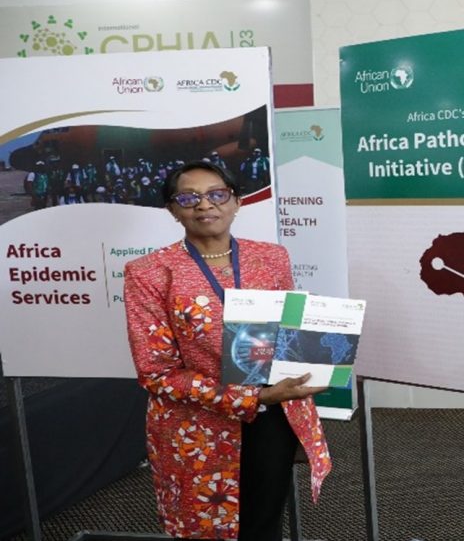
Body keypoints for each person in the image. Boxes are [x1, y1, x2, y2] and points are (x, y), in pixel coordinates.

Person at [123, 161, 332, 540]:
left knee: (264, 520)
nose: (205, 205)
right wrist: (255, 397)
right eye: (189, 198)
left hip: (275, 411)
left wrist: (318, 354)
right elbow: (157, 372)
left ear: (236, 201)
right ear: (173, 210)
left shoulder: (272, 257)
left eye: (217, 194)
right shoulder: (150, 272)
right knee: (205, 526)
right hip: (197, 423)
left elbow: (289, 331)